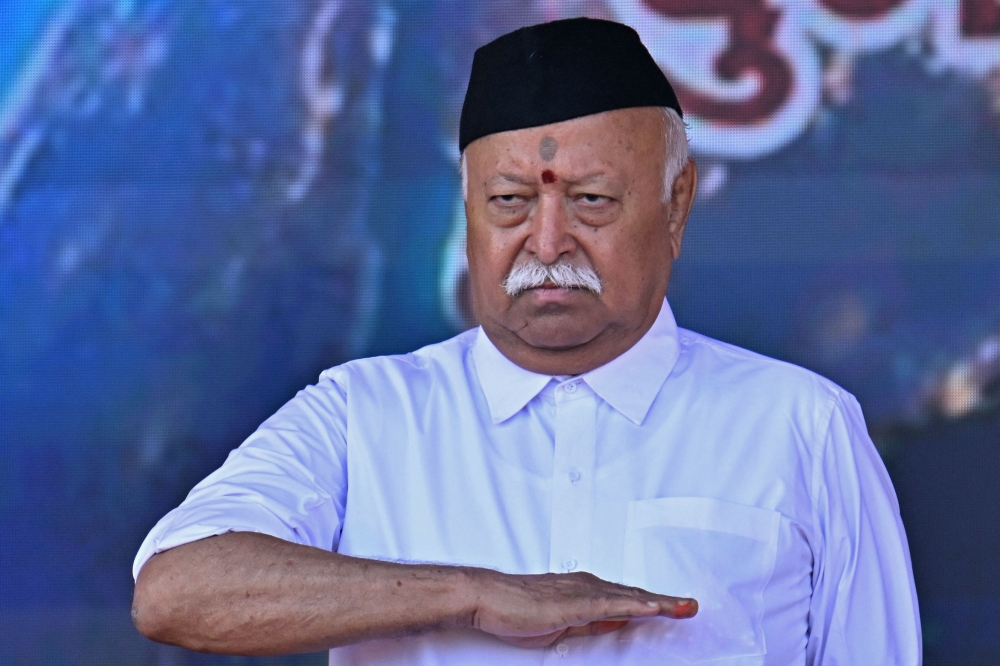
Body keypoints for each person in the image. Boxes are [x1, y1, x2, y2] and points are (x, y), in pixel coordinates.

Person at [132, 18, 921, 664]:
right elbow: (178, 589)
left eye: (592, 200)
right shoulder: (363, 416)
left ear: (675, 207)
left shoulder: (800, 424)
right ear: (467, 209)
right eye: (509, 201)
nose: (547, 243)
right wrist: (473, 594)